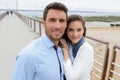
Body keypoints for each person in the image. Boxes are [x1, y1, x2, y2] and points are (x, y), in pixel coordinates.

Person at [12, 2, 68, 80]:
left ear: (66, 24)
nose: (57, 26)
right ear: (43, 23)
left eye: (62, 21)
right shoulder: (28, 55)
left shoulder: (63, 49)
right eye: (52, 20)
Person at [61, 14, 94, 80]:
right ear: (66, 31)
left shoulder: (86, 49)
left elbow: (71, 77)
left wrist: (65, 51)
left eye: (79, 30)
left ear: (83, 30)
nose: (75, 34)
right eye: (71, 30)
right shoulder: (67, 44)